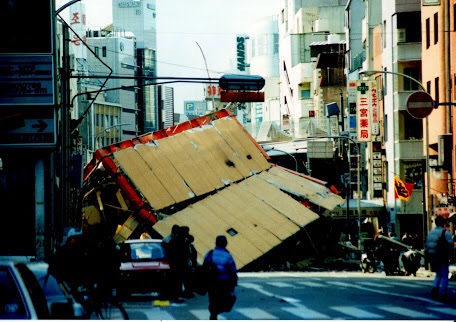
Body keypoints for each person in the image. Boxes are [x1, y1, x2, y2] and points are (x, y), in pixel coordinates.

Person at [204, 235, 238, 320]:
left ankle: (213, 314)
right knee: (227, 298)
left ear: (215, 243)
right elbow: (232, 270)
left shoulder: (209, 253)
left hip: (211, 281)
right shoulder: (227, 255)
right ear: (225, 243)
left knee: (212, 299)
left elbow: (204, 266)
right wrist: (234, 281)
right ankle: (217, 311)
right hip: (223, 281)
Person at [425, 216, 454, 301]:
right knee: (445, 275)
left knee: (438, 273)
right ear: (443, 223)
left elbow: (427, 246)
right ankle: (443, 292)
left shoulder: (430, 233)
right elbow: (451, 245)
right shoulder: (445, 233)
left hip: (433, 257)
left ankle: (435, 288)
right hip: (443, 257)